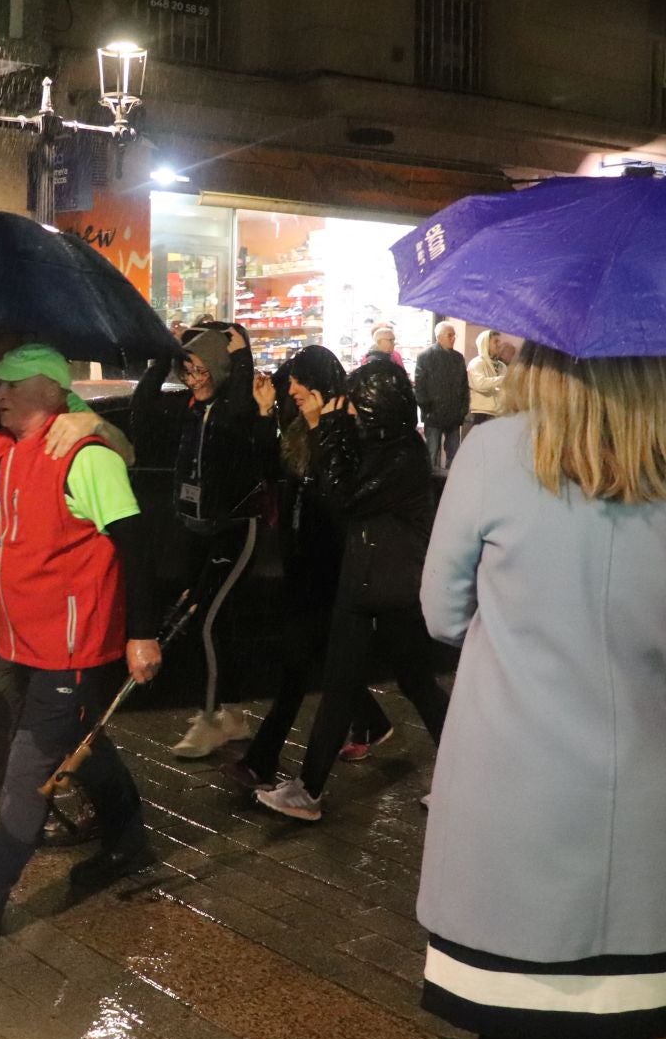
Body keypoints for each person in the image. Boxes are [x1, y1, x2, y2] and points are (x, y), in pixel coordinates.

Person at [417, 343, 666, 1039]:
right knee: (620, 1037)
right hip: (649, 800)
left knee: (513, 1027)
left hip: (511, 788)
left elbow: (441, 613)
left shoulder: (492, 452)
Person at [0, 344, 159, 940]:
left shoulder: (85, 457)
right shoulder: (13, 453)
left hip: (70, 648)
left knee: (29, 773)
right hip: (26, 641)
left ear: (47, 389)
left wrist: (142, 636)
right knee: (79, 743)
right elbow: (5, 533)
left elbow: (138, 549)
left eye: (8, 386)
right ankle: (130, 845)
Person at [252, 358, 450, 819]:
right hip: (365, 582)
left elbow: (341, 493)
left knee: (416, 682)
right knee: (343, 684)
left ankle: (466, 780)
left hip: (391, 587)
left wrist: (334, 425)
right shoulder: (381, 445)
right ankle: (308, 790)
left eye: (360, 406)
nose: (354, 413)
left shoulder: (401, 455)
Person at [134, 323, 264, 758]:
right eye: (187, 366)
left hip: (233, 529)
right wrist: (158, 356)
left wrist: (241, 356)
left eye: (201, 365)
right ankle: (231, 714)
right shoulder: (188, 408)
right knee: (210, 624)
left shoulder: (235, 411)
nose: (193, 374)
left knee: (207, 622)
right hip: (197, 530)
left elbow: (243, 404)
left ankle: (210, 719)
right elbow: (143, 408)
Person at [226, 346, 349, 793]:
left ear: (319, 381)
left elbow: (337, 493)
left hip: (332, 568)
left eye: (298, 380)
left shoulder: (343, 426)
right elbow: (271, 473)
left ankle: (264, 760)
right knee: (324, 664)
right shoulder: (299, 428)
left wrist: (324, 426)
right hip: (301, 563)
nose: (290, 388)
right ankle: (372, 725)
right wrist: (264, 415)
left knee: (301, 665)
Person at [414, 320, 469, 471]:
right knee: (431, 454)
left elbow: (464, 386)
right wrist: (427, 408)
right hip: (434, 414)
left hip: (454, 414)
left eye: (454, 335)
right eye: (450, 335)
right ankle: (430, 487)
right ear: (439, 337)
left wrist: (462, 410)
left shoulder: (458, 358)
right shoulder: (426, 356)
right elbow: (420, 386)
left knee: (454, 455)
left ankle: (451, 487)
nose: (453, 338)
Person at [466, 328, 507, 429]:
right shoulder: (476, 363)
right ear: (485, 344)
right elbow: (480, 384)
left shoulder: (501, 366)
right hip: (481, 412)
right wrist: (502, 379)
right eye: (495, 341)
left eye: (499, 341)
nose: (499, 344)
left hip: (498, 412)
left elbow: (507, 386)